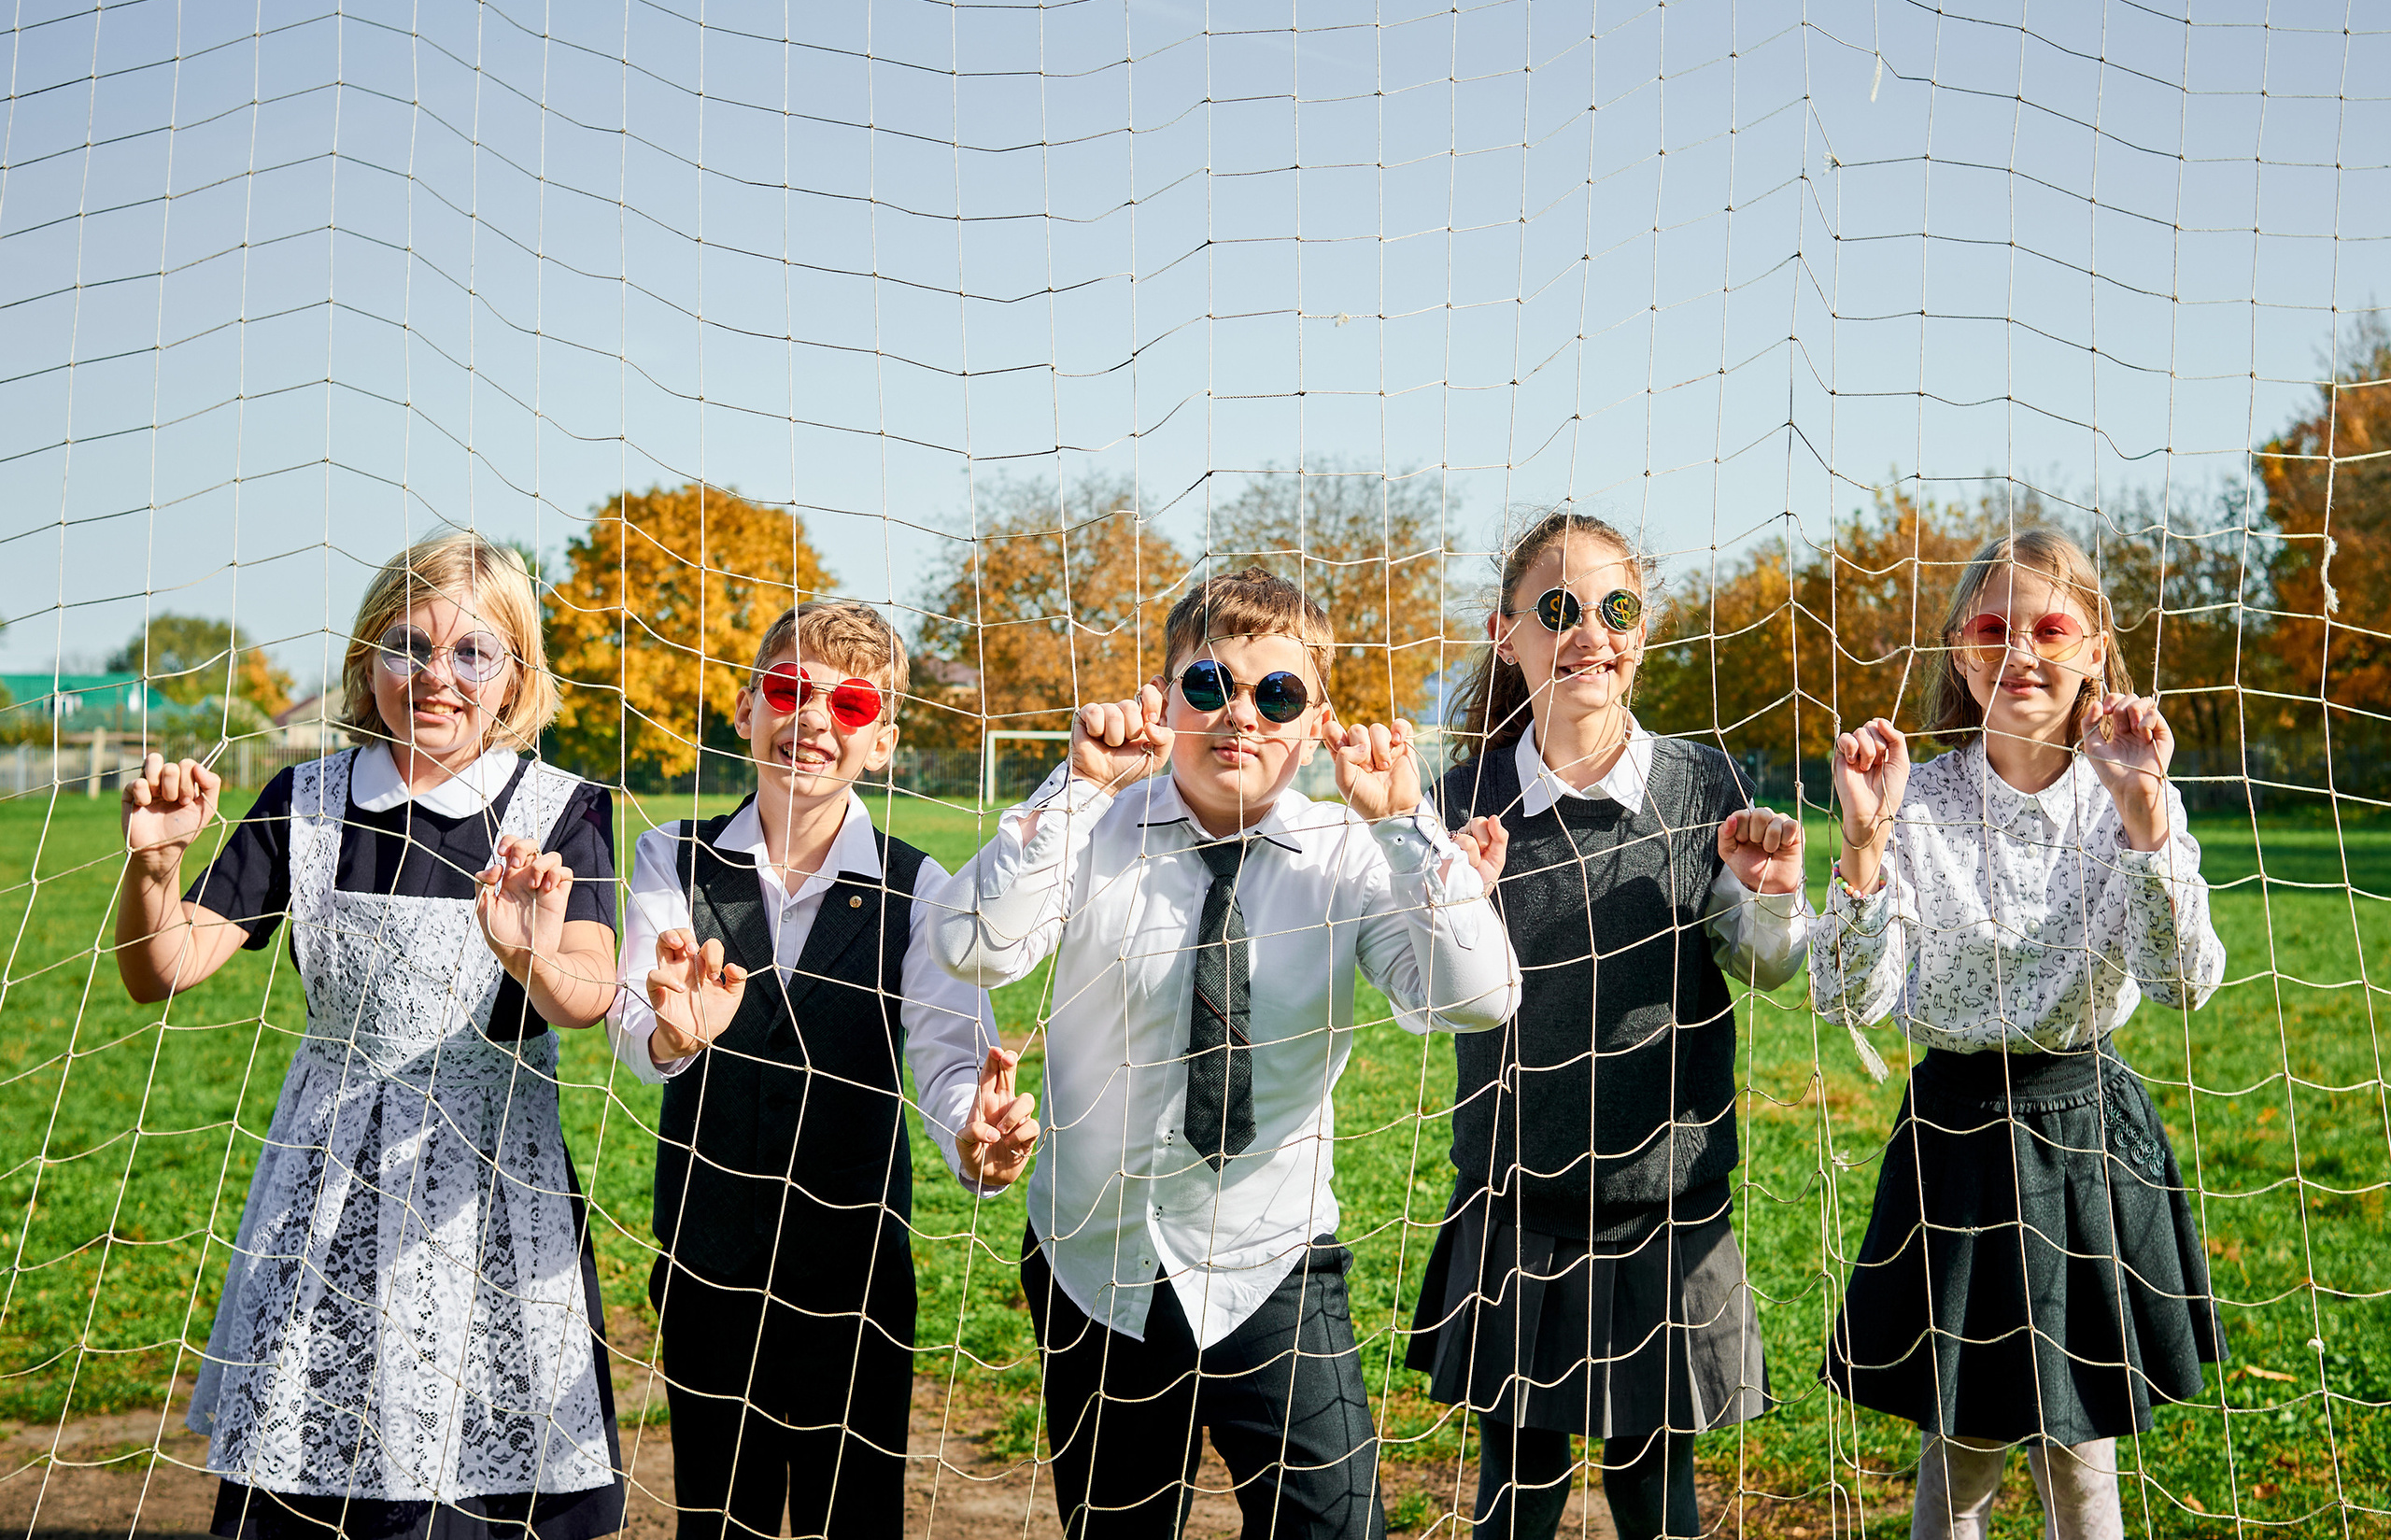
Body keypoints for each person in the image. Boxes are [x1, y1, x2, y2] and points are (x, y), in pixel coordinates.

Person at [927, 566, 1521, 1540]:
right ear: (1163, 697)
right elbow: (973, 942)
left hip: (1271, 1259)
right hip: (1096, 1257)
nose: (1239, 715)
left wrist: (1407, 829)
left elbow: (1479, 997)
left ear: (1314, 717)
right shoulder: (1091, 825)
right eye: (1209, 685)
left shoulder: (1350, 849)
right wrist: (1074, 786)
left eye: (1276, 693)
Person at [113, 532, 626, 1540]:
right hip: (325, 1185)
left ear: (516, 671)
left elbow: (588, 993)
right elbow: (159, 968)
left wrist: (525, 952)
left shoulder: (560, 811)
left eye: (472, 651)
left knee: (481, 1489)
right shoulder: (302, 801)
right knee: (313, 1477)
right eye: (407, 645)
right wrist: (153, 872)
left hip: (492, 1196)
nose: (437, 676)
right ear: (366, 660)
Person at [1406, 509, 1814, 1540]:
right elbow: (1430, 990)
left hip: (1664, 1203)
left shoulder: (1703, 786)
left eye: (1615, 606)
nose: (1591, 629)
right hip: (1517, 1200)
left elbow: (1764, 964)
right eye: (1559, 607)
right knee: (1517, 1492)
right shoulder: (1462, 797)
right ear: (1507, 633)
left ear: (1644, 628)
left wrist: (1770, 894)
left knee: (1655, 1495)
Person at [1813, 526, 2227, 1540]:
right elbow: (1846, 998)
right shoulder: (1915, 801)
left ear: (2094, 649)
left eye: (2050, 627)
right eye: (1993, 627)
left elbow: (2186, 984)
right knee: (1958, 1456)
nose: (2020, 652)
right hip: (1952, 1137)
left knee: (2080, 1457)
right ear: (1959, 648)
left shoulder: (2134, 793)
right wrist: (1863, 847)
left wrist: (2143, 819)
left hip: (2081, 1128)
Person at [608, 601, 1038, 1540]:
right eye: (787, 689)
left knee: (856, 1518)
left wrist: (977, 1137)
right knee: (719, 1518)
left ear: (882, 740)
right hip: (708, 1266)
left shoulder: (919, 886)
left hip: (856, 1278)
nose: (811, 720)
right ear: (743, 707)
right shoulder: (668, 858)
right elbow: (634, 1027)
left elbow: (947, 1058)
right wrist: (675, 1032)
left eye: (848, 703)